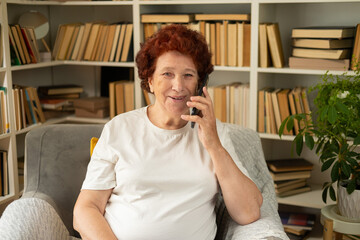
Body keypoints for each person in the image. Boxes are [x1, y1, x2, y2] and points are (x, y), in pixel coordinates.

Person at [73, 24, 263, 240]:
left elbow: (248, 212)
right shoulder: (119, 129)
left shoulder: (215, 133)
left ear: (200, 84)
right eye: (167, 74)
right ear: (151, 81)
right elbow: (84, 210)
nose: (178, 85)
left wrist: (214, 145)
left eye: (188, 75)